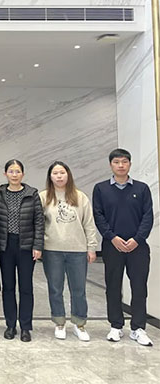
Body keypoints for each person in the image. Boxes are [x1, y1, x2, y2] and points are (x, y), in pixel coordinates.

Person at [93, 148, 154, 346]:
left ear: (130, 164)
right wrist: (112, 237)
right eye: (117, 162)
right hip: (112, 246)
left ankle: (138, 328)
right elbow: (98, 216)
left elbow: (148, 216)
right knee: (113, 286)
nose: (121, 165)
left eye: (124, 162)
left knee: (139, 287)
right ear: (110, 165)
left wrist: (137, 239)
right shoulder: (101, 189)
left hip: (138, 247)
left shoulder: (142, 188)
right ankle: (116, 326)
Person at [40, 161, 97, 342]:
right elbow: (38, 225)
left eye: (62, 173)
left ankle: (79, 324)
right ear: (50, 177)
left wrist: (91, 247)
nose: (59, 176)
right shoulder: (43, 197)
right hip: (52, 250)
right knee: (55, 288)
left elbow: (89, 224)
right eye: (55, 173)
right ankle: (59, 322)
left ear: (68, 175)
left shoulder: (80, 197)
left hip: (77, 250)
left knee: (78, 289)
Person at [0, 159, 44, 342]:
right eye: (11, 171)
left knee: (26, 287)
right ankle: (10, 325)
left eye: (17, 171)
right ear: (5, 174)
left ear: (23, 174)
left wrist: (38, 246)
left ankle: (25, 327)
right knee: (8, 287)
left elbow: (39, 221)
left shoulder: (32, 194)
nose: (14, 175)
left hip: (26, 247)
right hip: (5, 246)